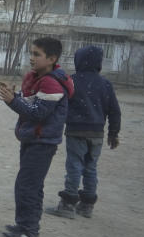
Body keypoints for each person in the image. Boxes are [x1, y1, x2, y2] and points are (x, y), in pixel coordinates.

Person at [0, 37, 74, 237]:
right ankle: (25, 226)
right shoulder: (37, 78)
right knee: (31, 185)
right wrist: (15, 96)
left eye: (37, 54)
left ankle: (28, 231)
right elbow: (30, 102)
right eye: (31, 53)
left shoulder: (50, 82)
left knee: (27, 186)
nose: (31, 58)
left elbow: (37, 113)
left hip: (42, 143)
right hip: (33, 140)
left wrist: (13, 101)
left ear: (52, 59)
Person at [46, 45, 122, 219]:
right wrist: (113, 133)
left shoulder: (71, 81)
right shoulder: (105, 84)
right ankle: (87, 205)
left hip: (76, 131)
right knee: (90, 167)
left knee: (74, 165)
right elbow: (114, 111)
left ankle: (68, 203)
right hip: (97, 134)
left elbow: (60, 104)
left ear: (78, 60)